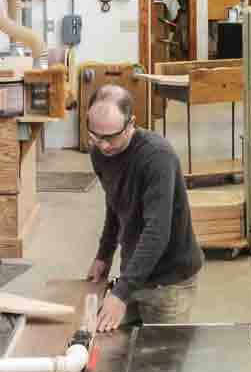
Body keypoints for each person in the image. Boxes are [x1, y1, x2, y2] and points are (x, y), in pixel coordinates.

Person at [85, 85, 203, 332]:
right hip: (136, 271)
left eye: (112, 138)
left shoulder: (157, 158)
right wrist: (104, 254)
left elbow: (157, 231)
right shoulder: (99, 152)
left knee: (162, 362)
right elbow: (114, 203)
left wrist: (120, 294)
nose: (104, 146)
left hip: (170, 282)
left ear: (131, 124)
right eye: (96, 136)